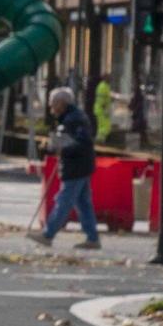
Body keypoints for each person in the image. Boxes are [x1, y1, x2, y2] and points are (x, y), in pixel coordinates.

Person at [29, 87, 101, 250]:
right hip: (81, 165)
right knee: (83, 203)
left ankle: (48, 234)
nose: (50, 107)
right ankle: (92, 237)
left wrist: (60, 148)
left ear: (61, 103)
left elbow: (80, 143)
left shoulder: (72, 119)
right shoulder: (70, 117)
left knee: (64, 200)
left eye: (52, 103)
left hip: (76, 166)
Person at [93, 77, 114, 143]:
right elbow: (101, 99)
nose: (110, 80)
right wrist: (105, 108)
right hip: (101, 110)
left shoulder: (105, 86)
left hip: (102, 109)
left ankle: (101, 140)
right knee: (104, 127)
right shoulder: (103, 87)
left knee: (103, 126)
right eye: (109, 79)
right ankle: (100, 140)